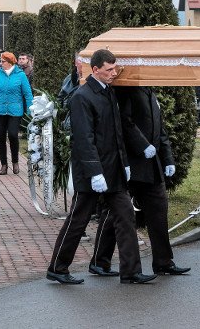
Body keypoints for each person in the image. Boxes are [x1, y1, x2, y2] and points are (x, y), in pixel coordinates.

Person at [46, 49, 155, 285]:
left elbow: (117, 132)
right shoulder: (82, 97)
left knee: (126, 216)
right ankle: (57, 267)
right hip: (92, 172)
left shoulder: (109, 93)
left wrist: (125, 163)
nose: (113, 73)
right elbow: (84, 140)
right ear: (95, 70)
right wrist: (95, 172)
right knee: (78, 220)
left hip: (114, 170)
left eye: (114, 69)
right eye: (109, 70)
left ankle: (131, 271)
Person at [90, 86, 190, 277]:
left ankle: (163, 261)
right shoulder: (127, 90)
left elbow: (160, 128)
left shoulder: (150, 91)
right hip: (130, 162)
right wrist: (142, 145)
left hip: (151, 165)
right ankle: (99, 261)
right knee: (114, 213)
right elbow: (125, 122)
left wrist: (167, 158)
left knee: (159, 211)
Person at [0, 52, 33, 175]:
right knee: (0, 137)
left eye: (3, 61)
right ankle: (3, 165)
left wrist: (30, 110)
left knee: (12, 135)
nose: (1, 63)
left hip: (15, 110)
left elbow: (27, 94)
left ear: (10, 62)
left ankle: (15, 162)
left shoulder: (20, 75)